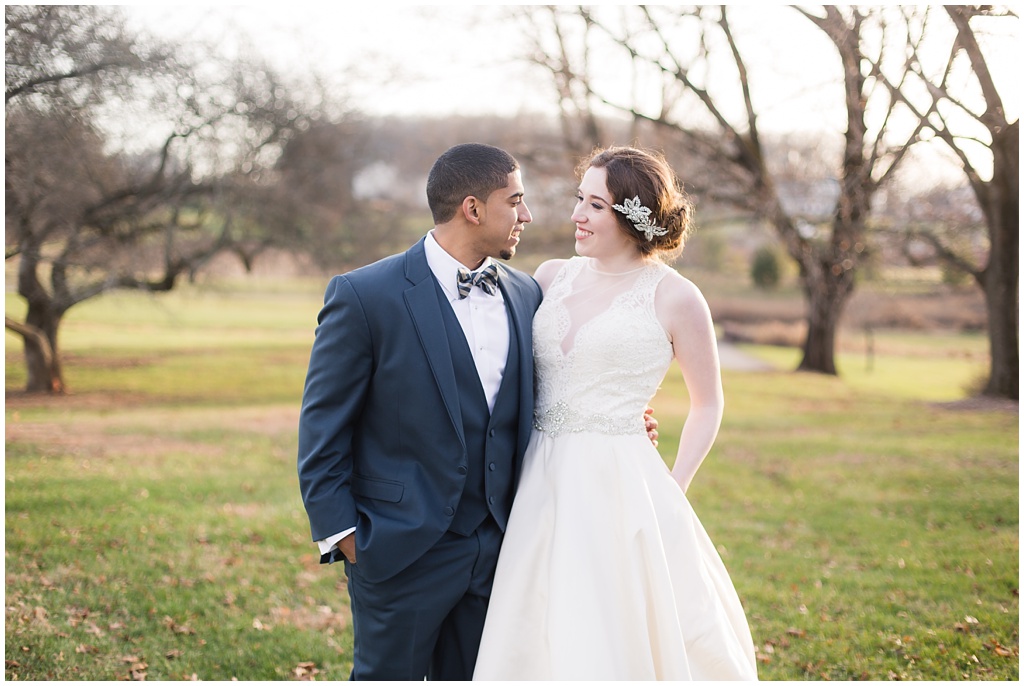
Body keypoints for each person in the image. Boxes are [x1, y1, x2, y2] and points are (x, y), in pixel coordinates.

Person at [296, 143, 657, 680]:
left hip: (502, 553)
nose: (528, 216)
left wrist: (622, 415)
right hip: (397, 550)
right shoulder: (365, 296)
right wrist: (346, 537)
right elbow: (322, 430)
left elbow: (550, 389)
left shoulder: (527, 295)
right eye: (516, 201)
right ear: (473, 209)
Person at [473, 146, 759, 680]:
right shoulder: (550, 277)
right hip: (537, 470)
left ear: (632, 215)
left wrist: (674, 485)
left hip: (621, 480)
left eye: (595, 206)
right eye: (579, 200)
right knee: (536, 608)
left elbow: (708, 403)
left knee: (612, 613)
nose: (577, 215)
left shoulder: (677, 297)